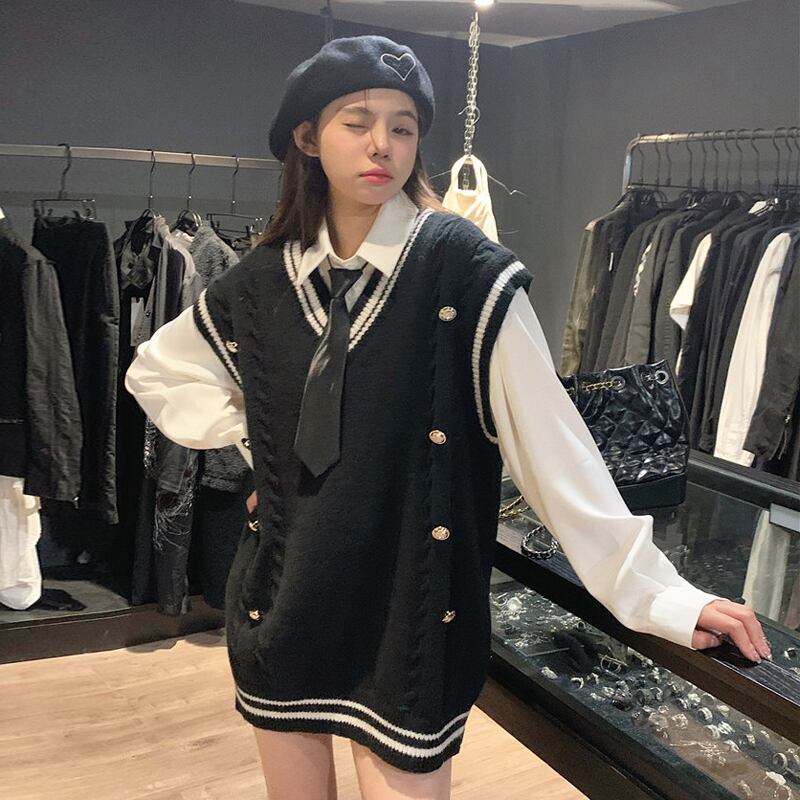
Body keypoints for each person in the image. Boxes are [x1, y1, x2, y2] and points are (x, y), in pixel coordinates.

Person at [125, 34, 770, 800]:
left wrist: (658, 595)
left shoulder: (466, 275)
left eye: (402, 126)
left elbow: (556, 452)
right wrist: (264, 446)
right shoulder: (264, 280)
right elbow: (159, 371)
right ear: (307, 137)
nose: (382, 144)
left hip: (411, 615)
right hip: (283, 599)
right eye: (357, 121)